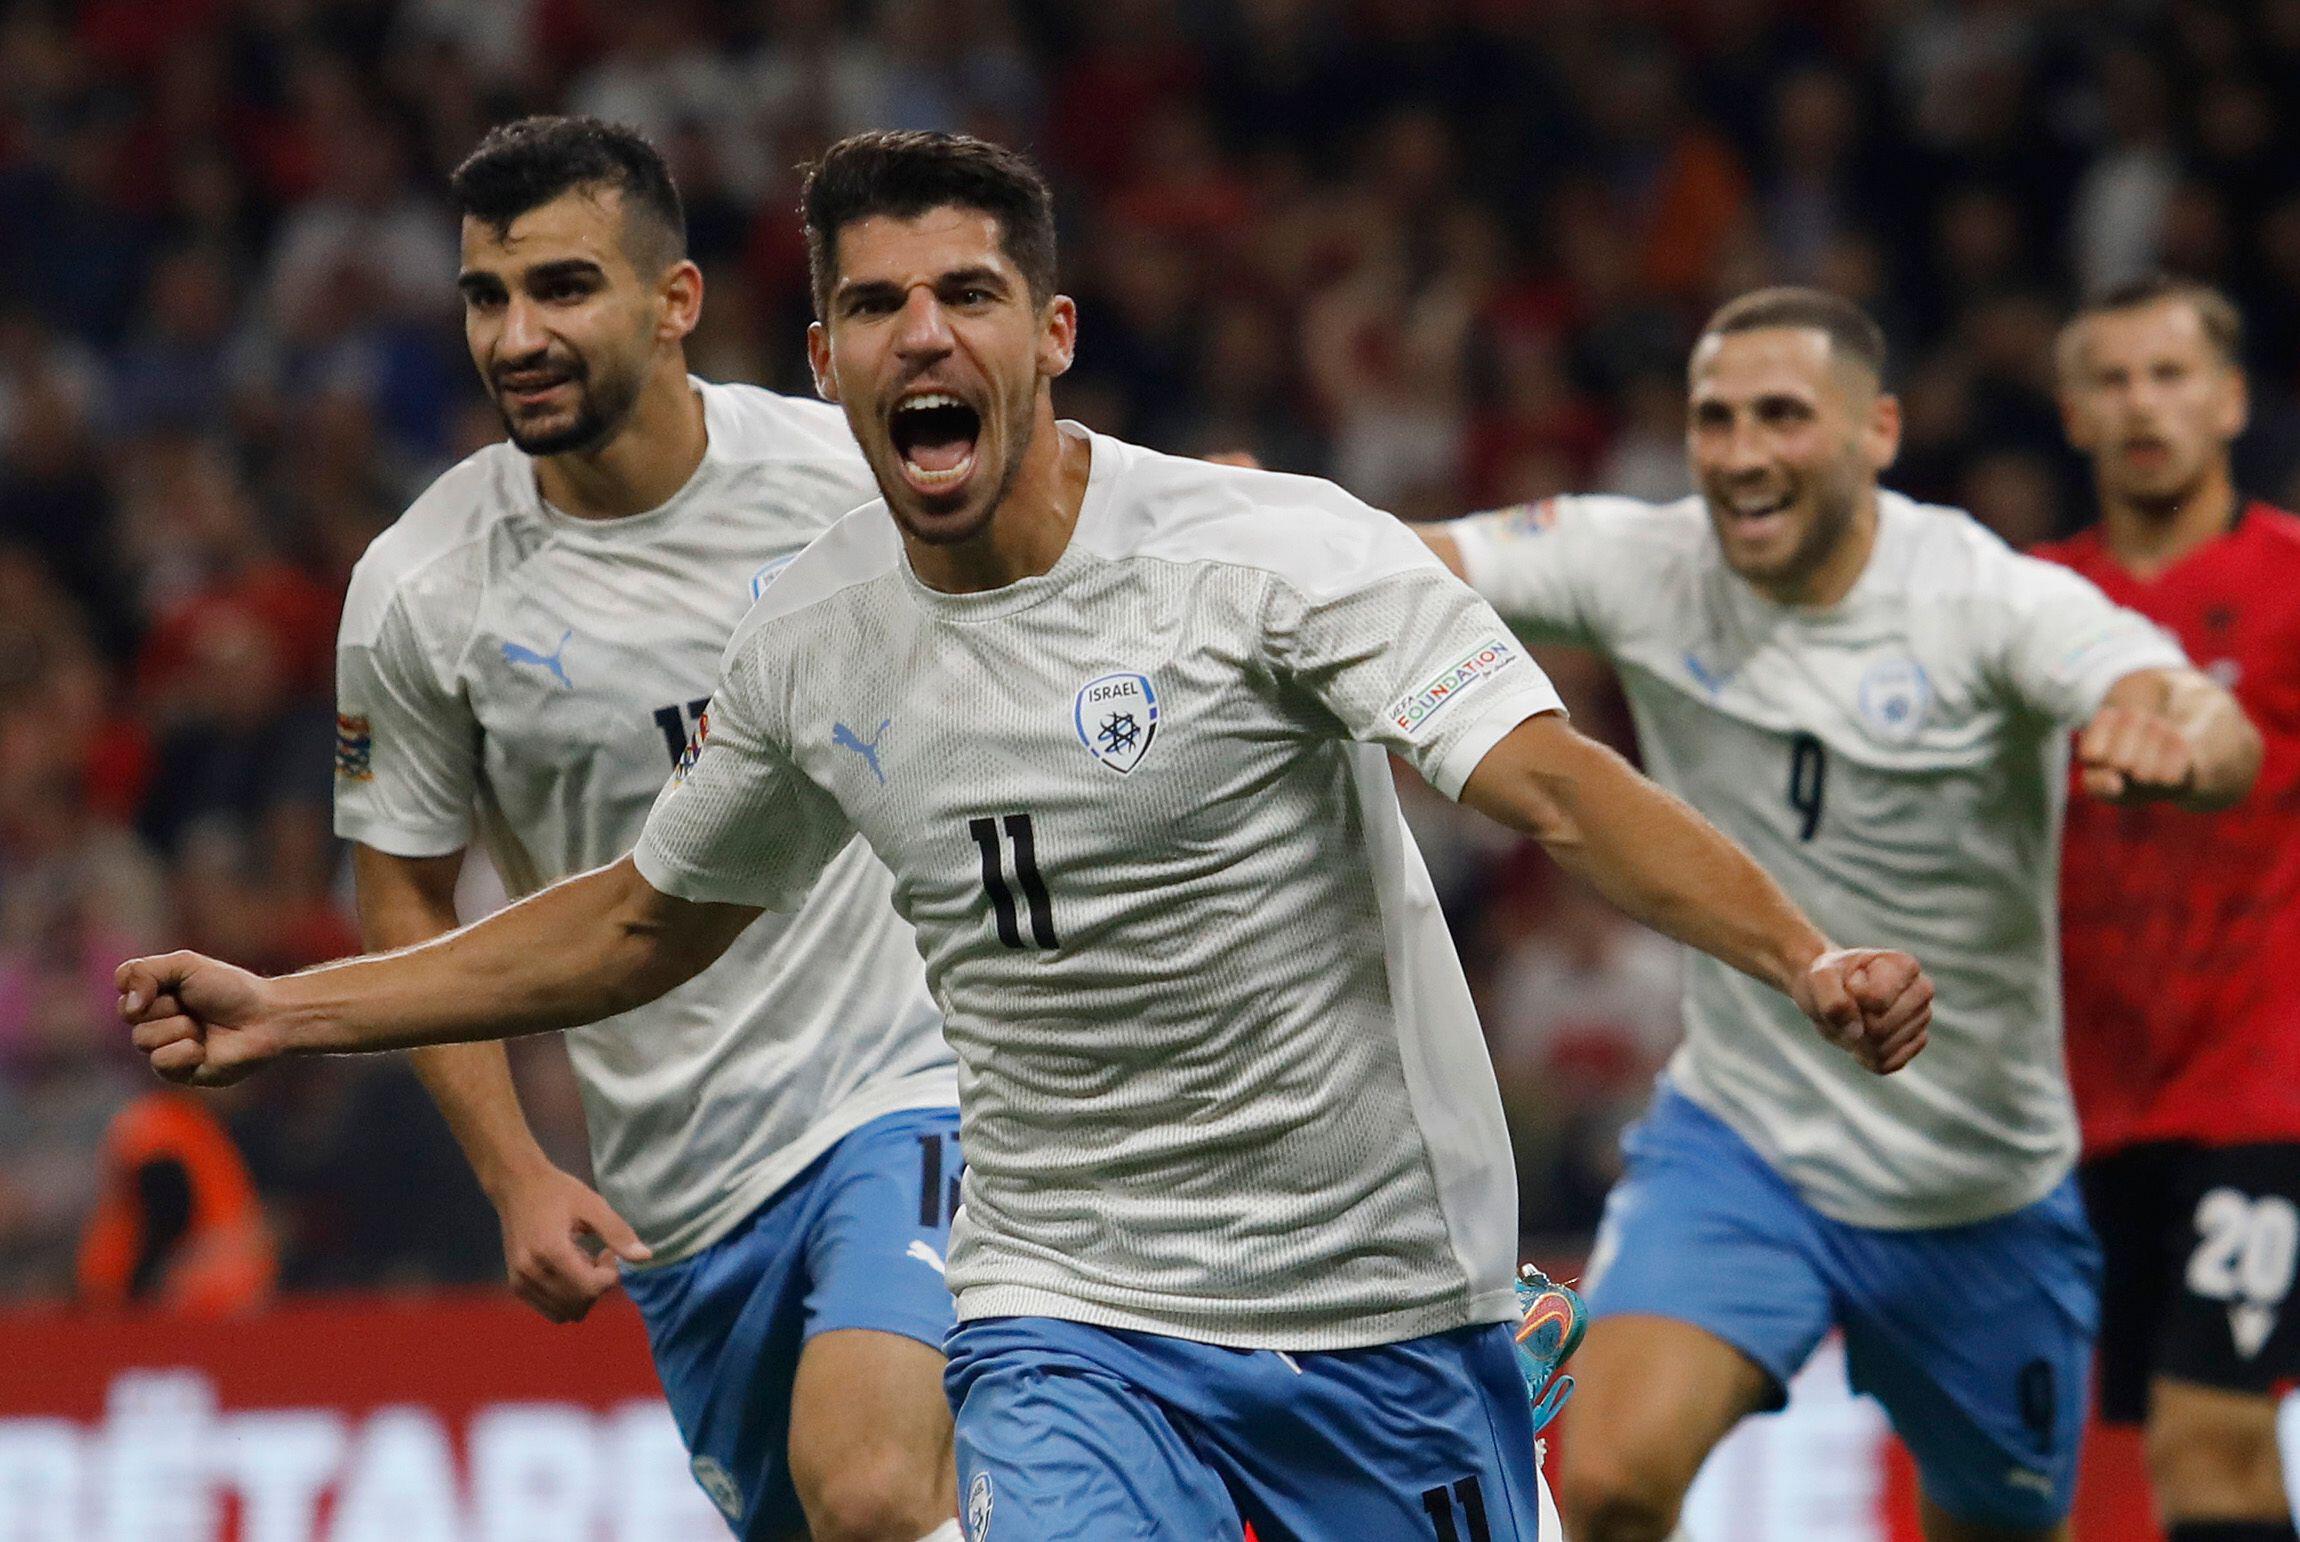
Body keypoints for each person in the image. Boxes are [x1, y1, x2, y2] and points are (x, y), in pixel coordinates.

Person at [119, 133, 1936, 1542]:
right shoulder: (810, 637)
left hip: (1376, 1293)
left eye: (970, 295)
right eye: (881, 305)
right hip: (1064, 1299)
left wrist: (1798, 953)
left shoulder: (1266, 553)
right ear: (824, 358)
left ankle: (1505, 1336)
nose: (927, 335)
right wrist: (296, 1010)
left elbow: (1552, 784)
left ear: (1049, 334)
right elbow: (635, 925)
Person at [1417, 286, 2262, 1542]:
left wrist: (2177, 735)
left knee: (1992, 1525)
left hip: (1978, 1184)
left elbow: (2197, 713)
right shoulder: (1644, 561)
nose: (1742, 453)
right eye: (1714, 419)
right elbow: (1402, 563)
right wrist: (1253, 515)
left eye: (1780, 416)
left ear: (1875, 432)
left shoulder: (1982, 598)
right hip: (1743, 1146)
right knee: (1603, 1481)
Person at [336, 116, 961, 1542]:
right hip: (677, 1191)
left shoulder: (843, 472)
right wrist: (513, 1172)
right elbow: (406, 901)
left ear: (674, 301)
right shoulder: (422, 589)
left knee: (870, 1489)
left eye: (561, 287)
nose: (514, 334)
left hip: (909, 1084)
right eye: (486, 297)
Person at [2041, 274, 2300, 1542]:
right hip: (2091, 1104)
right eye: (2112, 378)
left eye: (2171, 373)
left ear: (2231, 399)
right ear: (2070, 411)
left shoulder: (2293, 585)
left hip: (2265, 1085)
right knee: (2174, 1463)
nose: (2142, 403)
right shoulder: (2028, 602)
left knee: (2210, 1434)